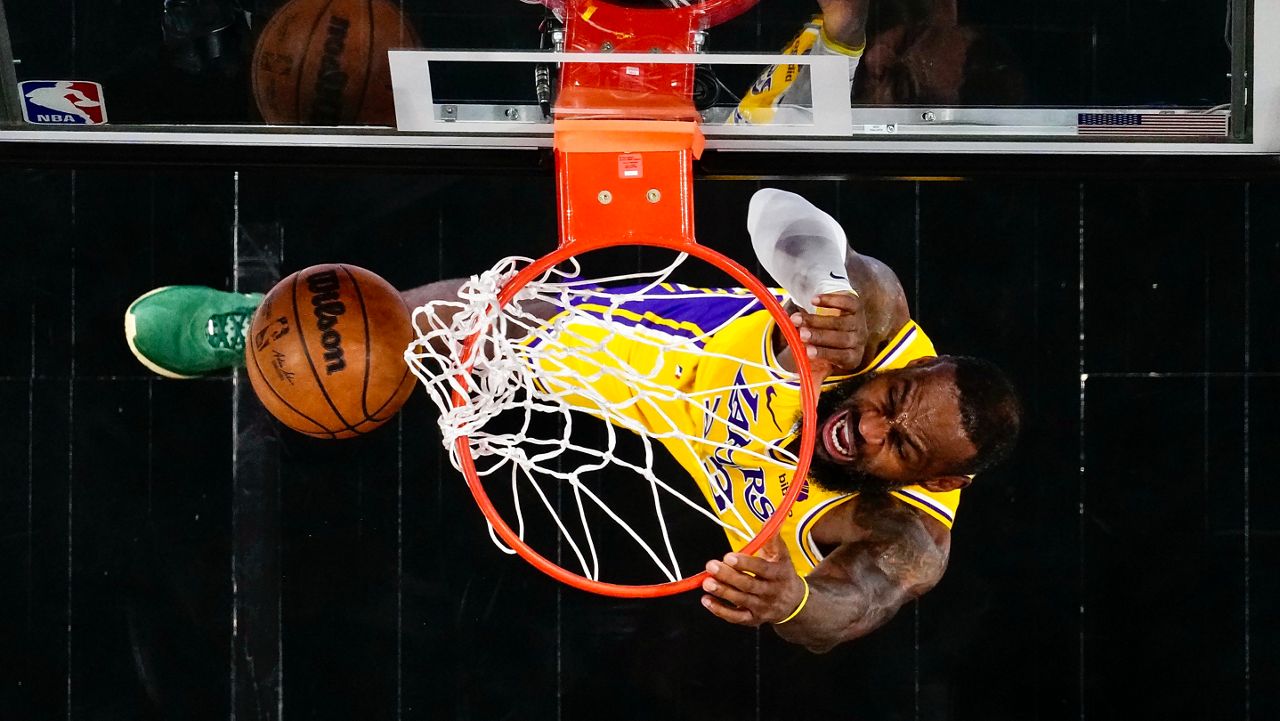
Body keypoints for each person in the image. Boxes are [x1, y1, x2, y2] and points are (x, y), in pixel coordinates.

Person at [124, 188, 1020, 653]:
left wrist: (793, 598)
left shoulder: (908, 534)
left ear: (937, 477)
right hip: (679, 349)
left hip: (688, 457)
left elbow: (853, 607)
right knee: (463, 324)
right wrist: (825, 288)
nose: (868, 424)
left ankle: (296, 338)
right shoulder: (877, 322)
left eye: (899, 443)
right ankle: (261, 326)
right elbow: (781, 218)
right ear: (917, 362)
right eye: (891, 398)